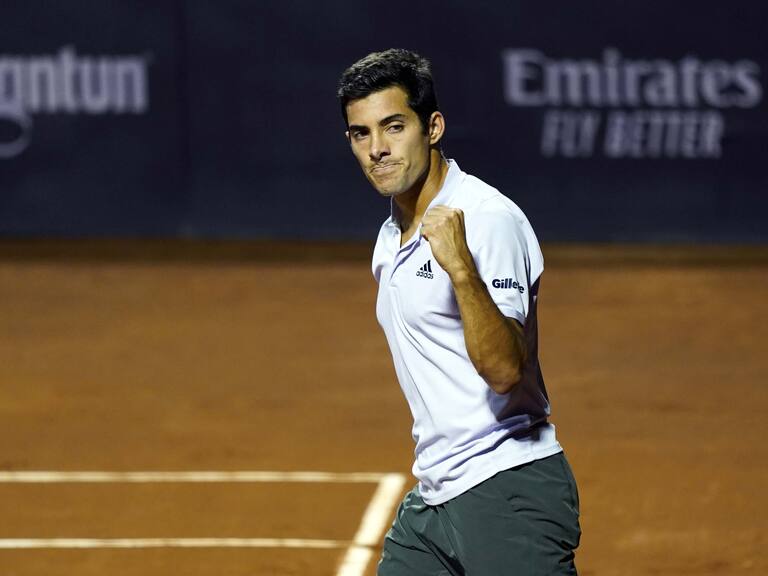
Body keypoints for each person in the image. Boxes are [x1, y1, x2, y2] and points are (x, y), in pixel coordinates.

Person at [338, 48, 581, 575]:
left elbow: (505, 372)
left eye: (393, 126)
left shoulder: (487, 219)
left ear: (433, 127)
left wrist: (462, 268)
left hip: (508, 490)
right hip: (435, 497)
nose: (377, 149)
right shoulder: (389, 237)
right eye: (361, 134)